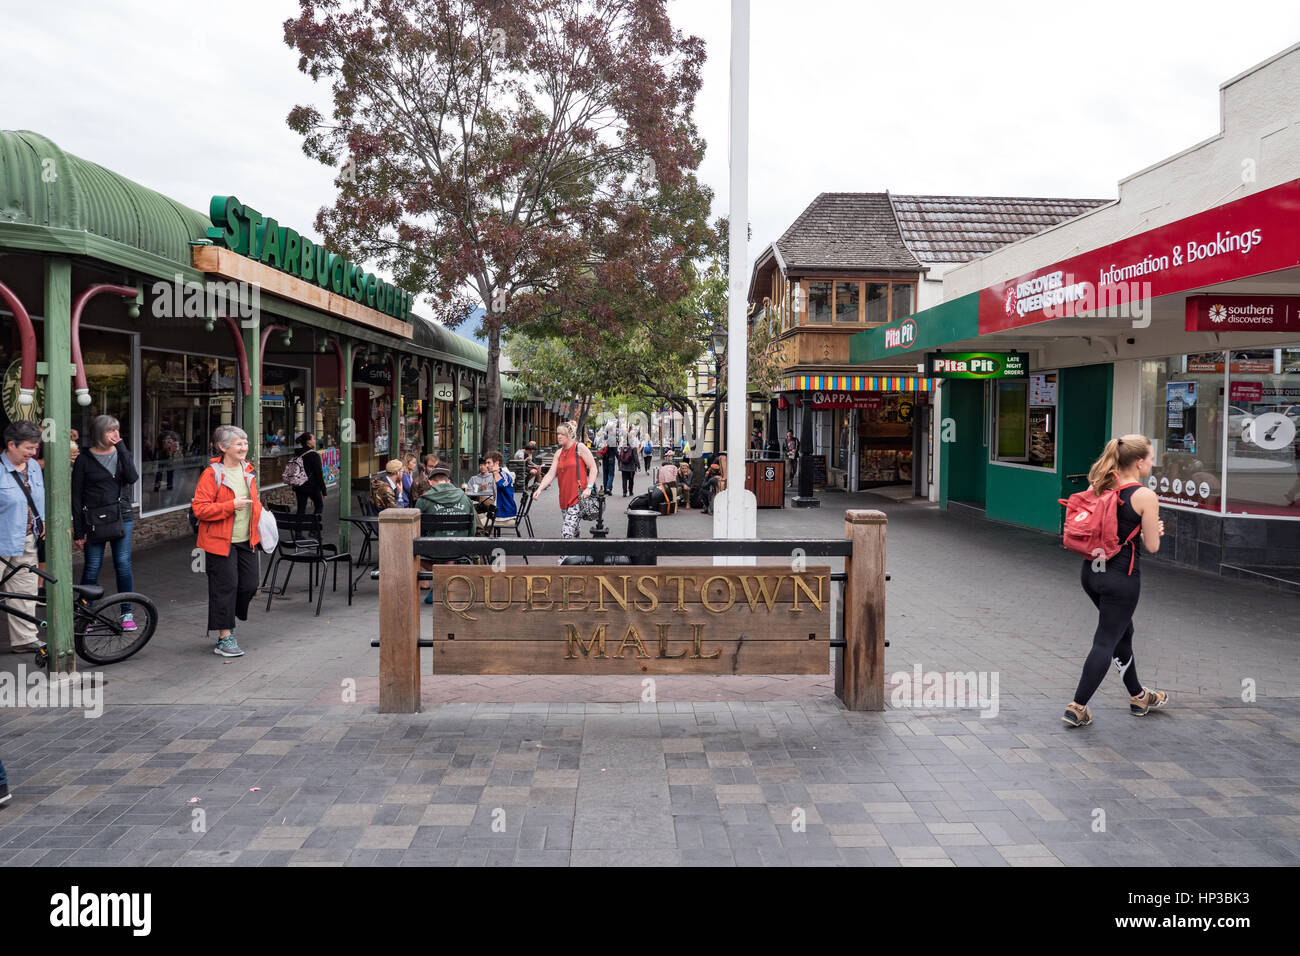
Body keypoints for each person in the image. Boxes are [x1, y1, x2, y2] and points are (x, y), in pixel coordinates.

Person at [1063, 434, 1169, 728]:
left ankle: (1138, 696)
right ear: (1138, 462)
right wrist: (1156, 529)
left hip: (1091, 573)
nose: (1152, 462)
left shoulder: (1098, 485)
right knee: (1106, 640)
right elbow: (1152, 546)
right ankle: (1077, 706)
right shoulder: (1144, 495)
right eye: (1149, 457)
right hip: (1121, 579)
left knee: (1123, 631)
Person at [192, 425, 263, 658]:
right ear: (223, 447)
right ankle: (224, 636)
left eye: (245, 443)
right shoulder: (212, 473)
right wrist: (229, 507)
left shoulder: (247, 470)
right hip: (220, 541)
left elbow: (254, 502)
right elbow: (200, 509)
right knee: (225, 587)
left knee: (249, 585)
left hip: (247, 540)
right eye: (239, 444)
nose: (244, 447)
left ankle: (229, 617)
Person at [72, 415, 140, 629]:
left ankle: (127, 613)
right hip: (94, 519)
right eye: (110, 431)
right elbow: (76, 496)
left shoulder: (121, 453)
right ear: (98, 433)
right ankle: (85, 613)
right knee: (92, 566)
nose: (115, 434)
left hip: (122, 516)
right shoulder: (84, 459)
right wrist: (78, 531)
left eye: (117, 430)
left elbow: (132, 477)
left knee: (122, 563)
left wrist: (122, 448)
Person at [0, 421, 46, 653]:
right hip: (1, 541)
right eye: (29, 448)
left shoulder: (34, 467)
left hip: (27, 539)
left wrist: (42, 519)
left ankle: (25, 639)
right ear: (11, 445)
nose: (33, 452)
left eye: (35, 447)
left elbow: (39, 495)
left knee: (25, 592)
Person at [416, 464, 476, 602]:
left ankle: (439, 585)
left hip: (433, 548)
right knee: (448, 552)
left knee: (412, 553)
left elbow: (417, 530)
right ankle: (444, 583)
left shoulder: (423, 501)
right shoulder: (465, 498)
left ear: (430, 482)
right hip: (459, 547)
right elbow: (472, 529)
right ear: (448, 481)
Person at [533, 421, 598, 540]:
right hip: (564, 497)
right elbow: (550, 474)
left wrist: (589, 487)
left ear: (570, 435)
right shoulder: (558, 453)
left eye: (562, 434)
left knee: (567, 533)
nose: (559, 436)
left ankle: (563, 558)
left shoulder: (580, 447)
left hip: (578, 497)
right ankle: (577, 557)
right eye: (558, 434)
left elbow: (593, 468)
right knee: (574, 531)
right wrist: (540, 488)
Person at [291, 432, 327, 516]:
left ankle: (298, 529)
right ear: (308, 442)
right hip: (312, 487)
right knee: (319, 506)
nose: (315, 441)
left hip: (299, 486)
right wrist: (324, 491)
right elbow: (319, 474)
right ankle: (314, 528)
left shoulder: (297, 453)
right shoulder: (314, 455)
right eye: (313, 439)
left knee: (301, 509)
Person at [483, 451, 517, 529]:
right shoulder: (500, 474)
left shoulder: (504, 475)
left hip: (505, 516)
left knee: (474, 524)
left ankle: (482, 540)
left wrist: (495, 471)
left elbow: (501, 485)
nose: (486, 465)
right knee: (476, 517)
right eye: (486, 463)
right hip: (499, 512)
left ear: (497, 463)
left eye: (489, 463)